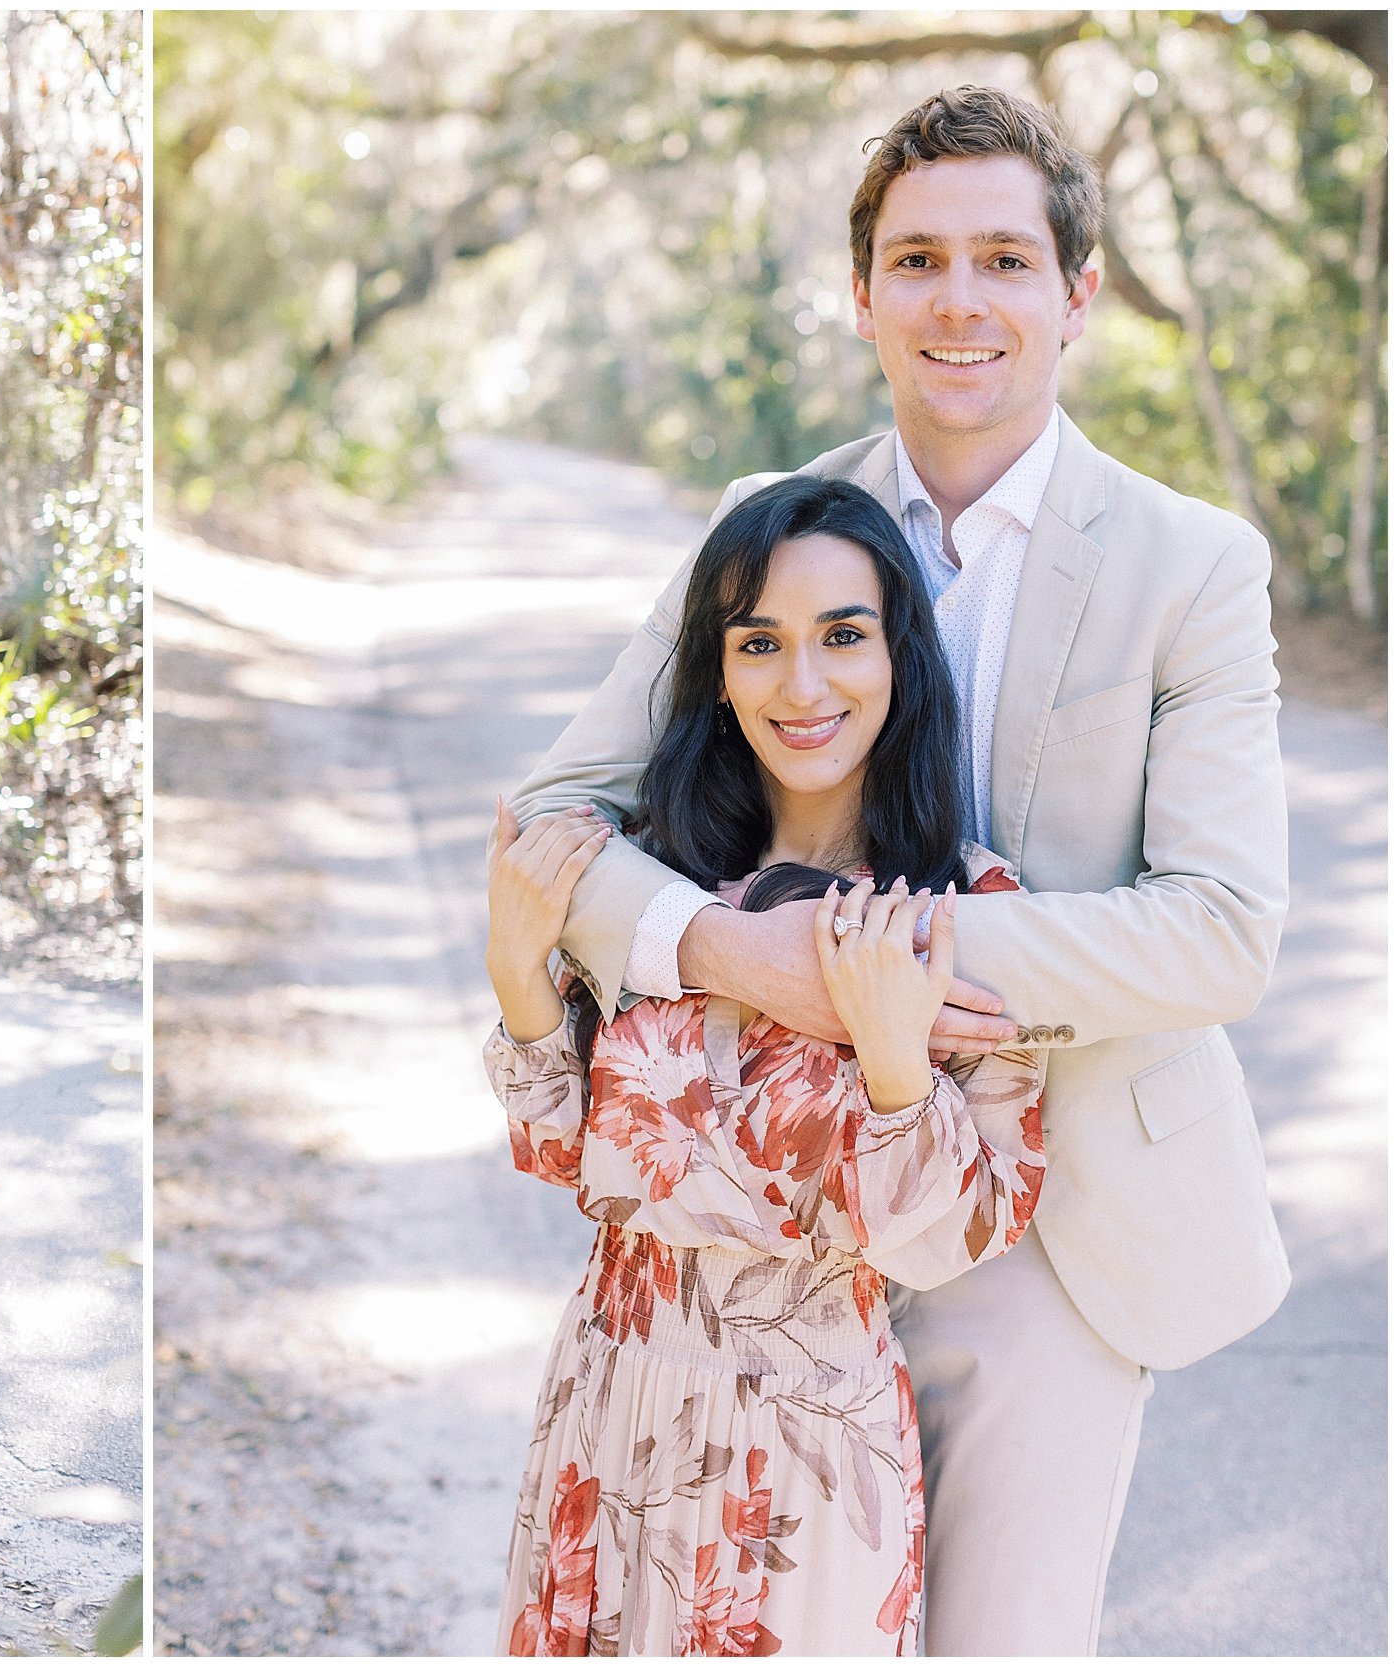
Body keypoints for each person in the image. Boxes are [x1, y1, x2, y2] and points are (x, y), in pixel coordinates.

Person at [512, 86, 1289, 1653]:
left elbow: (1222, 932)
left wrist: (897, 973)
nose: (960, 299)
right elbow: (553, 821)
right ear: (862, 294)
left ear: (1076, 295)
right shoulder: (767, 526)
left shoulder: (1190, 563)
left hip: (1049, 1216)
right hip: (765, 1232)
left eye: (1005, 258)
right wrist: (735, 956)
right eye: (919, 258)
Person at [486, 474, 1047, 1654]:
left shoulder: (966, 904)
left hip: (805, 1455)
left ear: (898, 653)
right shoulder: (649, 879)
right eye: (759, 643)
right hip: (608, 1385)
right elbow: (559, 1150)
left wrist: (893, 1056)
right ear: (719, 669)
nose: (802, 684)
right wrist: (516, 976)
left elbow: (957, 1231)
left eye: (843, 635)